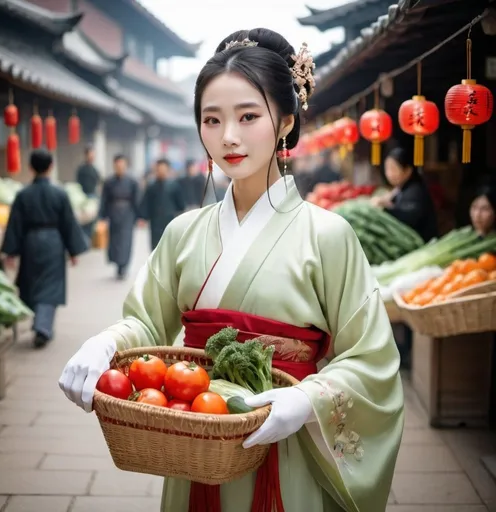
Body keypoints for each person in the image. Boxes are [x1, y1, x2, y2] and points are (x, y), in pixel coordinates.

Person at [59, 28, 403, 512]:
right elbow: (147, 325)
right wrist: (108, 342)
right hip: (196, 427)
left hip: (285, 436)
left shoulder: (328, 235)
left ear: (284, 121)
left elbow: (371, 357)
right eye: (212, 119)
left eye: (248, 116)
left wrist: (308, 401)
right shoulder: (182, 232)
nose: (229, 137)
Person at [2, 149, 88, 348]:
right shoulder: (59, 193)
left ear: (31, 168)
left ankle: (40, 324)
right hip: (53, 242)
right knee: (50, 286)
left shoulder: (23, 195)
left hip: (30, 243)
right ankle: (43, 327)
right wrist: (73, 251)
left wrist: (11, 252)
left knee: (31, 284)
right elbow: (68, 223)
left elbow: (15, 223)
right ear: (51, 167)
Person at [371, 146, 438, 242]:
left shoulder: (415, 191)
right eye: (387, 169)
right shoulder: (401, 187)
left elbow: (409, 217)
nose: (389, 174)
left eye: (393, 169)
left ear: (408, 171)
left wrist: (386, 209)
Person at [98, 154, 140, 280]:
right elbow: (104, 199)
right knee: (115, 241)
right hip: (113, 213)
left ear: (126, 166)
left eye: (122, 165)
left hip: (128, 214)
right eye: (117, 165)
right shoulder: (109, 182)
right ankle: (117, 264)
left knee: (126, 241)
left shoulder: (132, 182)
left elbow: (137, 199)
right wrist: (102, 216)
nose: (120, 167)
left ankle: (124, 266)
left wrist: (139, 216)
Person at [140, 158, 185, 250]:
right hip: (155, 220)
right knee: (155, 246)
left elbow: (180, 204)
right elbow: (146, 203)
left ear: (167, 170)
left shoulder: (174, 186)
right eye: (159, 169)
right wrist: (143, 218)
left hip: (170, 220)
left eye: (163, 169)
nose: (161, 172)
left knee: (169, 245)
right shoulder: (151, 186)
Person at [76, 145, 101, 238]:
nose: (91, 156)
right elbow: (78, 183)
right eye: (90, 154)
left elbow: (99, 182)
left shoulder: (95, 169)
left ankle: (90, 238)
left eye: (93, 154)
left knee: (93, 220)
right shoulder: (81, 169)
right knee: (83, 221)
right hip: (83, 198)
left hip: (93, 197)